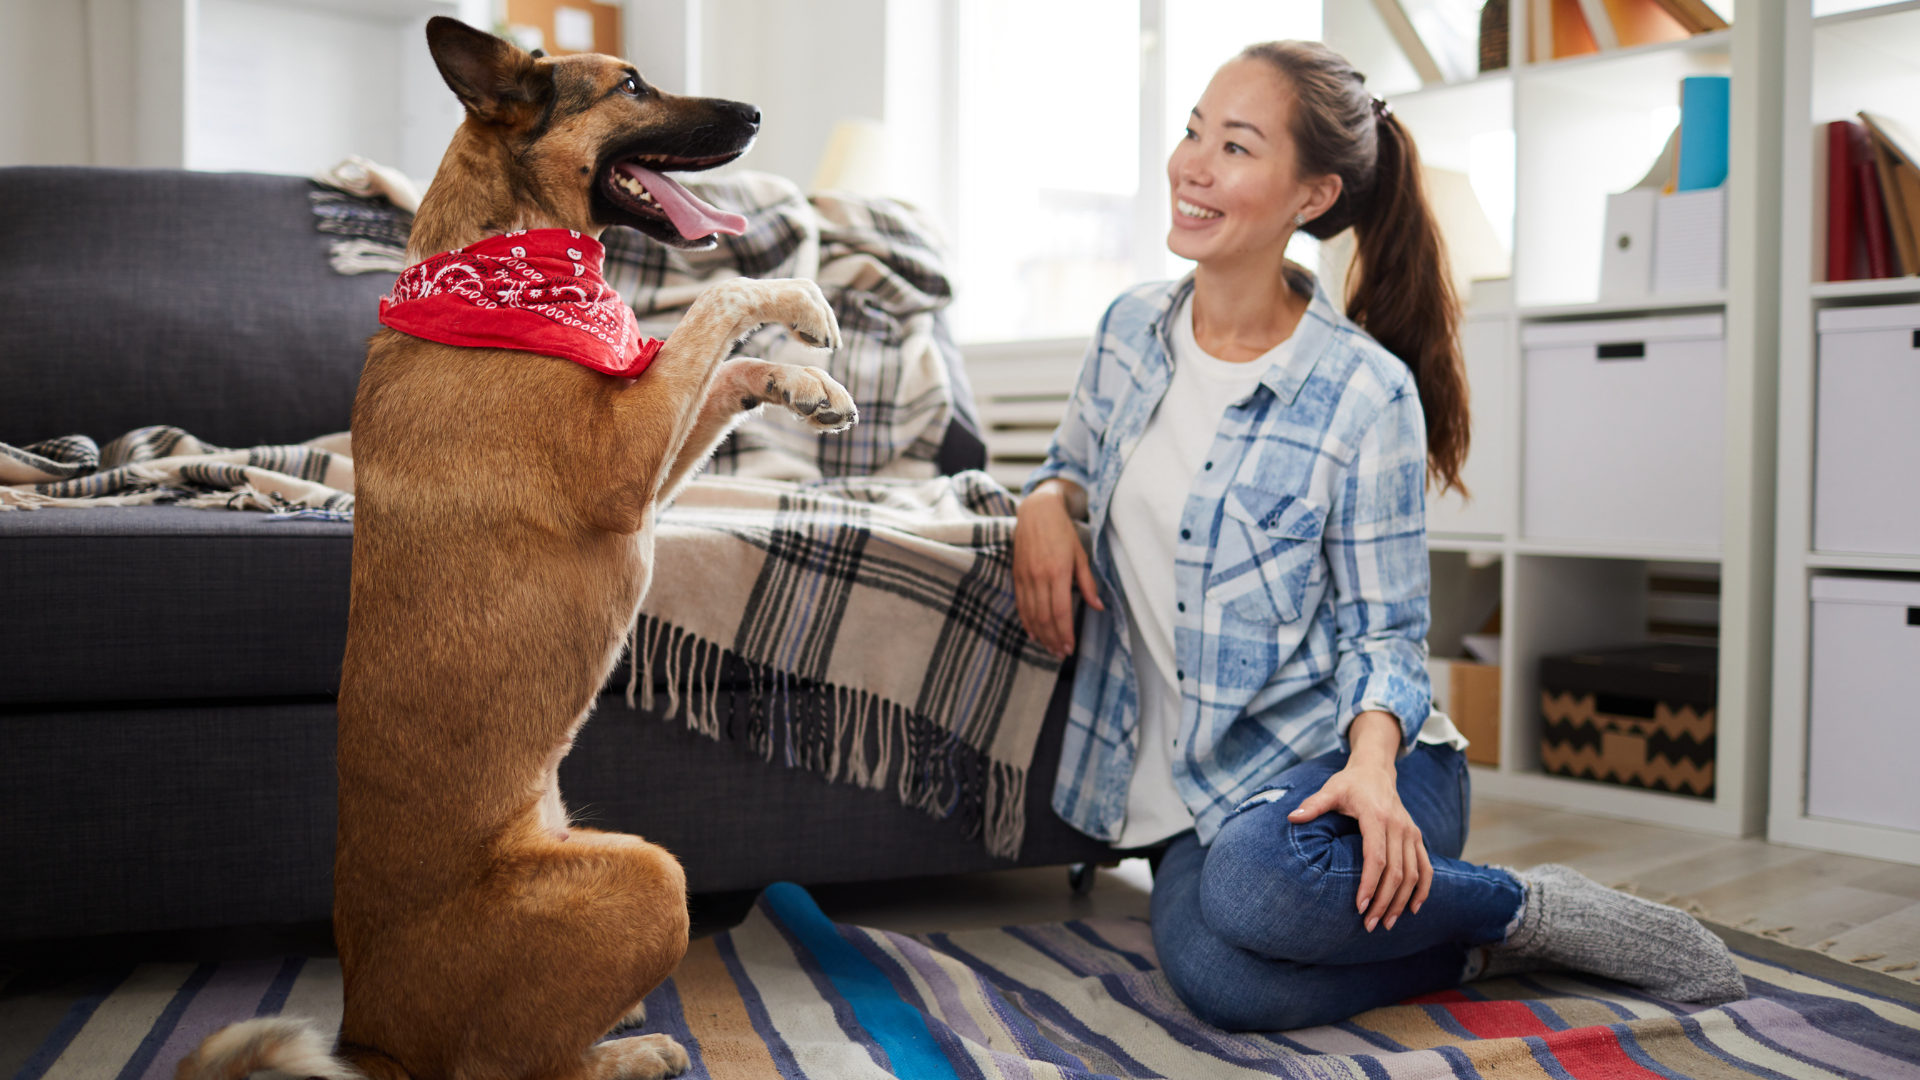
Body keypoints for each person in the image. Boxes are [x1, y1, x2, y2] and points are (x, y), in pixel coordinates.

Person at [1011, 40, 1744, 1031]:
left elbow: (1385, 633)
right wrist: (1044, 501)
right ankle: (1484, 945)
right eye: (1193, 131)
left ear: (1312, 196)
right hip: (1204, 791)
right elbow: (1067, 460)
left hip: (1365, 763)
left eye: (1236, 146)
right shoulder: (1126, 333)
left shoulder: (1365, 391)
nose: (1192, 165)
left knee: (1258, 888)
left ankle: (1532, 907)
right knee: (1228, 981)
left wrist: (1369, 768)